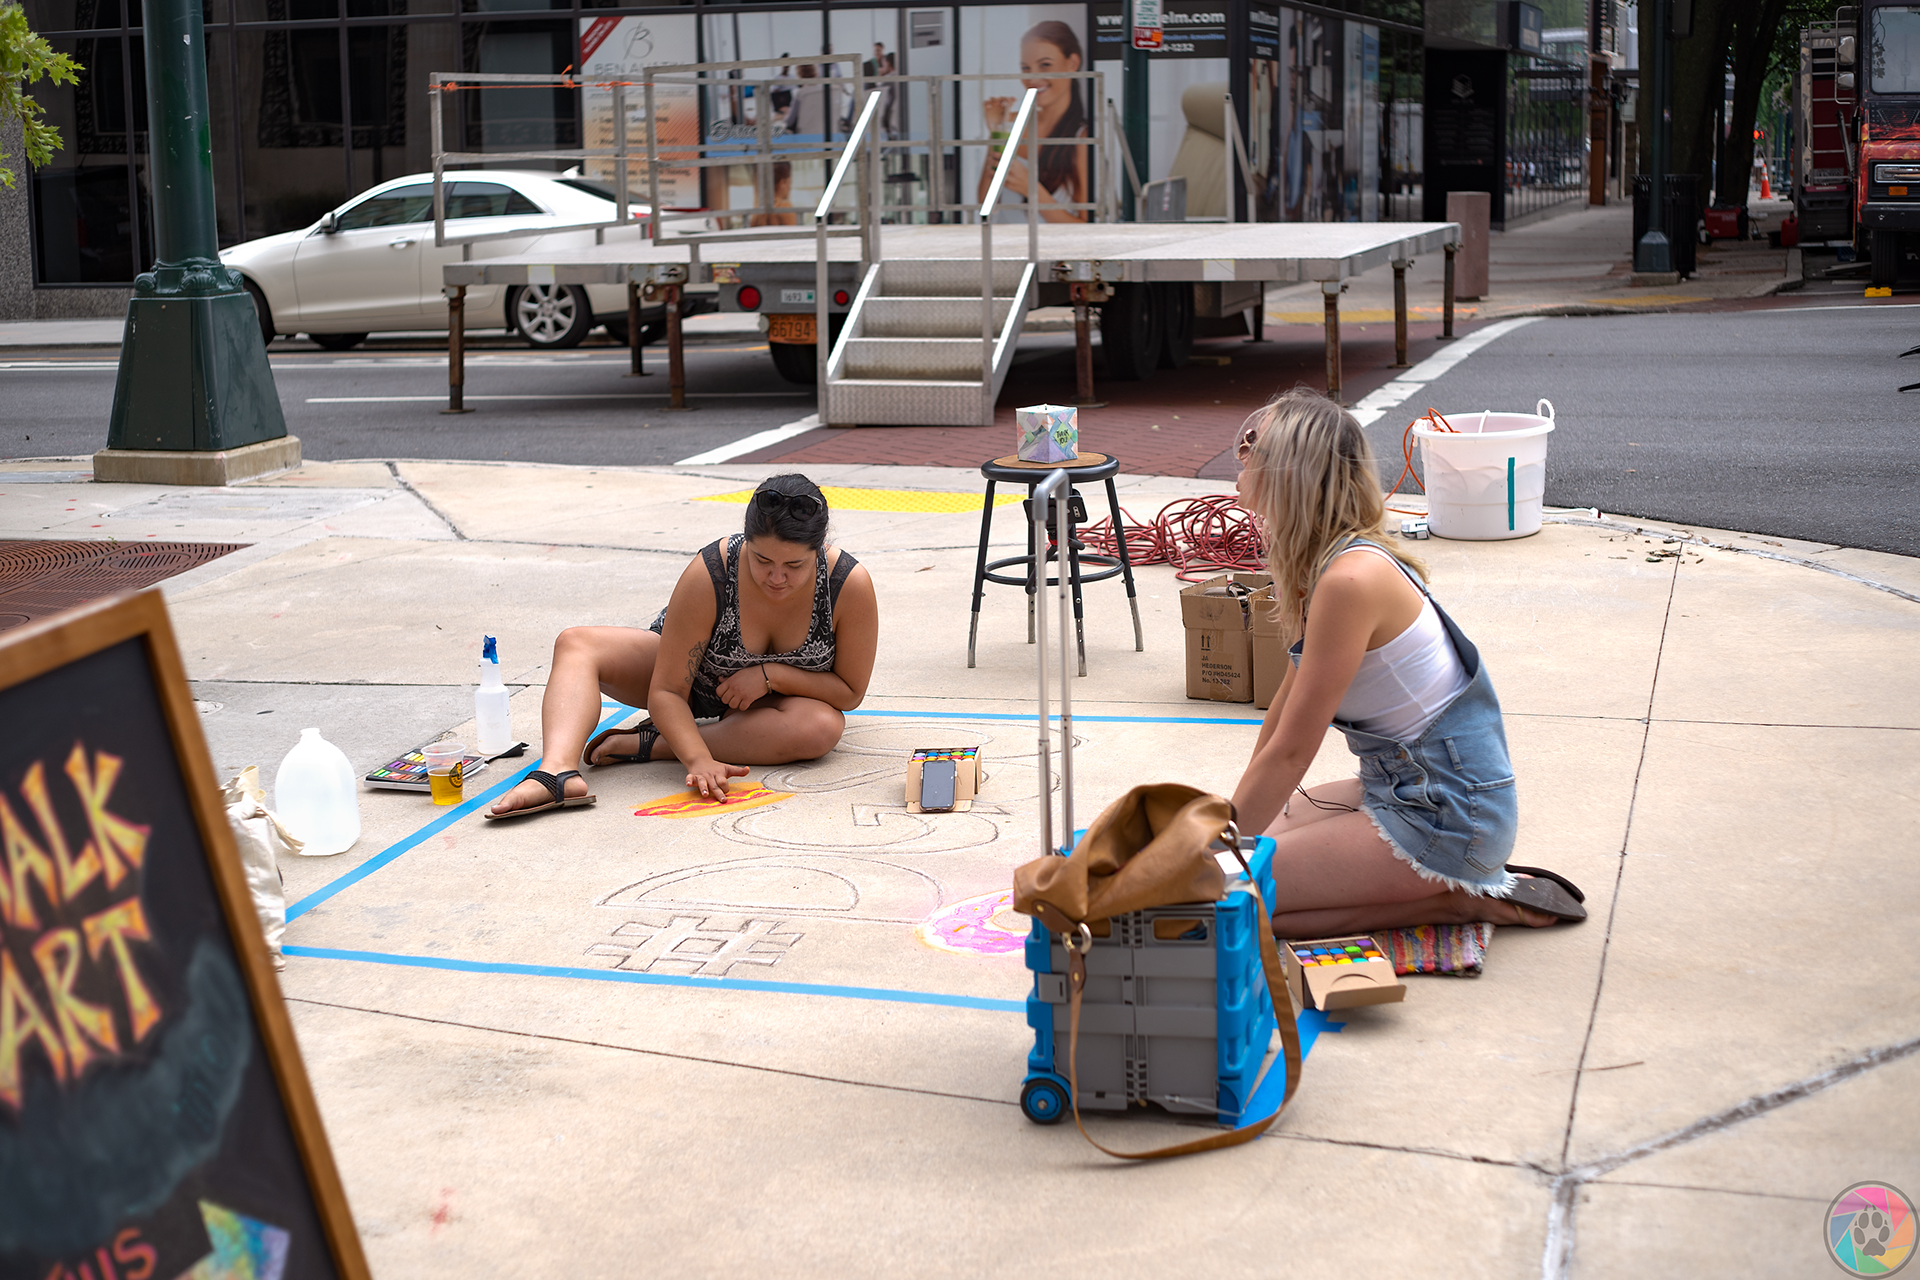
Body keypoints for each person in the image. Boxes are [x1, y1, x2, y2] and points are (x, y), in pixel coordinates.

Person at [1226, 389, 1586, 935]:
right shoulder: (1327, 563)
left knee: (1236, 901)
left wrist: (1218, 859)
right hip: (1404, 786)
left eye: (1252, 443)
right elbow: (1282, 716)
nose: (1240, 453)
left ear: (1288, 468)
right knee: (1262, 837)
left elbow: (1295, 750)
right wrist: (1232, 829)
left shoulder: (1350, 581)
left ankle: (1458, 899)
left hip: (1446, 815)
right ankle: (1447, 882)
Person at [486, 476, 878, 819]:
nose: (776, 577)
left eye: (794, 566)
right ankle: (556, 774)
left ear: (819, 549)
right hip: (686, 679)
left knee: (822, 727)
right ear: (746, 543)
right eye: (762, 560)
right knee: (576, 643)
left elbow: (849, 691)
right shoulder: (714, 567)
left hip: (768, 706)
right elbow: (668, 690)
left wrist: (769, 675)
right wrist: (698, 760)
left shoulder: (847, 583)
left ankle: (653, 744)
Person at [978, 21, 1088, 224]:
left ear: (1072, 63)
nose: (1033, 77)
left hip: (1054, 254)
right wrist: (997, 131)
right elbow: (986, 205)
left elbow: (1086, 229)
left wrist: (1032, 190)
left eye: (1045, 65)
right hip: (1008, 250)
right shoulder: (1011, 124)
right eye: (1025, 68)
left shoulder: (1082, 137)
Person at [748, 160, 797, 227]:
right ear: (783, 183)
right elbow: (794, 235)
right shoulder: (785, 207)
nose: (790, 188)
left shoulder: (758, 210)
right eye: (789, 182)